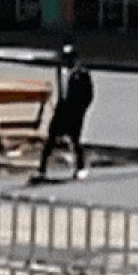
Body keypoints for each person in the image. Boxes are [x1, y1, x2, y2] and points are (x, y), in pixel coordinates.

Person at [35, 44, 94, 181]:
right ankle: (41, 169)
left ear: (75, 59)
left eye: (68, 58)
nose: (65, 61)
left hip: (75, 111)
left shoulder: (82, 74)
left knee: (75, 140)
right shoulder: (60, 71)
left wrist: (81, 110)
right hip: (62, 110)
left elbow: (89, 95)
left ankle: (80, 167)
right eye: (64, 58)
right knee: (51, 139)